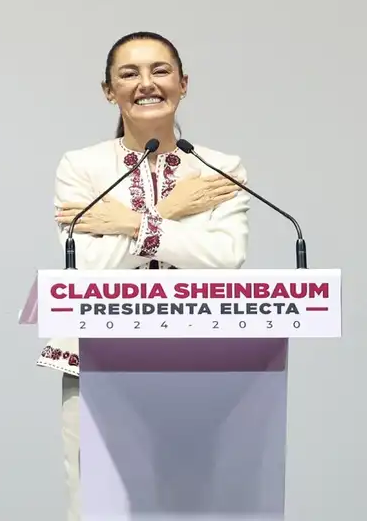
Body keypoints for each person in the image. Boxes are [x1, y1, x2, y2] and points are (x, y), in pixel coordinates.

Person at [37, 31, 251, 521]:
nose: (146, 83)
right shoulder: (82, 167)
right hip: (95, 359)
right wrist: (170, 211)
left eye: (160, 70)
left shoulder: (219, 167)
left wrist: (129, 222)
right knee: (97, 504)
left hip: (196, 355)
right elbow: (89, 271)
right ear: (109, 91)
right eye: (128, 74)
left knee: (194, 504)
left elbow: (224, 256)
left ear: (183, 83)